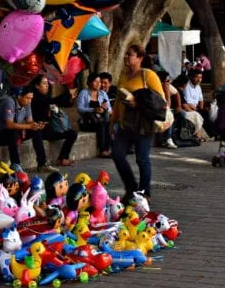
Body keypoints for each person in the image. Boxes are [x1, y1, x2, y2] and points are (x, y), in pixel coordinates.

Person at [111, 44, 165, 199]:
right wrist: (112, 121)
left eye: (130, 55)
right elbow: (118, 101)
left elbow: (159, 101)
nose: (126, 57)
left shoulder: (148, 75)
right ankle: (131, 187)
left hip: (143, 124)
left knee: (142, 159)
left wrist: (138, 103)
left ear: (140, 58)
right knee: (117, 154)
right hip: (125, 123)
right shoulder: (123, 74)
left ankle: (144, 192)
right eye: (126, 54)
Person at [0, 88, 53, 173]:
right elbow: (9, 125)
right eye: (27, 98)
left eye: (31, 98)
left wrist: (37, 125)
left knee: (36, 131)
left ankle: (42, 164)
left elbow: (29, 121)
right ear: (19, 96)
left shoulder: (27, 104)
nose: (29, 101)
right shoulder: (9, 102)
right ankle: (15, 165)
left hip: (14, 132)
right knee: (12, 132)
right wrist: (29, 126)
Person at [29, 75, 78, 167]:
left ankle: (63, 158)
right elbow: (54, 100)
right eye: (44, 83)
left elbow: (58, 102)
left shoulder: (45, 97)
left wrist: (70, 97)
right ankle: (42, 163)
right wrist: (68, 94)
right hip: (37, 129)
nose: (47, 85)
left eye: (47, 83)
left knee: (72, 133)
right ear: (37, 86)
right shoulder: (36, 97)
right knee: (37, 132)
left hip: (49, 129)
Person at [76, 73, 112, 156]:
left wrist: (104, 108)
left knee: (107, 124)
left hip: (101, 120)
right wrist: (93, 109)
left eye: (99, 82)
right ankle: (103, 150)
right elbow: (80, 108)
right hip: (87, 122)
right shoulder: (84, 93)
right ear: (89, 82)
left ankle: (107, 149)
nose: (98, 84)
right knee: (101, 124)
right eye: (95, 81)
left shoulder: (103, 93)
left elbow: (109, 109)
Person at [177, 71, 208, 142]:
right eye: (197, 77)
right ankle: (198, 135)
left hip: (194, 107)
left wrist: (201, 109)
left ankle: (211, 134)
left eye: (200, 78)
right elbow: (186, 103)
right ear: (191, 77)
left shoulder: (198, 87)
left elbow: (201, 100)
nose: (199, 80)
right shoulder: (186, 86)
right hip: (188, 108)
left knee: (206, 113)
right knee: (197, 115)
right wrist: (197, 110)